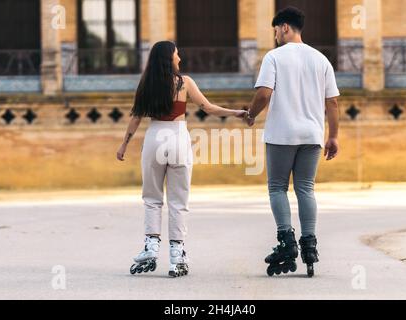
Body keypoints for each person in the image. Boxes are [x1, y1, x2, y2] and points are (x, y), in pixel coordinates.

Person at [117, 41, 246, 277]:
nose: (180, 58)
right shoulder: (184, 83)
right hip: (177, 138)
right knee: (179, 199)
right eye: (177, 54)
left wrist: (124, 144)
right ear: (169, 58)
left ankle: (151, 248)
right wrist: (235, 112)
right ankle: (177, 256)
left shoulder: (146, 83)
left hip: (155, 136)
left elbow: (136, 117)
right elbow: (208, 107)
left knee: (152, 198)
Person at [244, 7, 340, 277]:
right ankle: (309, 245)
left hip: (281, 135)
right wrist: (333, 135)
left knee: (277, 187)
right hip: (312, 135)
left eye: (275, 29)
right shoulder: (321, 60)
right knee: (306, 189)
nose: (275, 35)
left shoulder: (274, 57)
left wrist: (251, 114)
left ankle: (286, 243)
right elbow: (332, 102)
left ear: (285, 27)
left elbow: (263, 93)